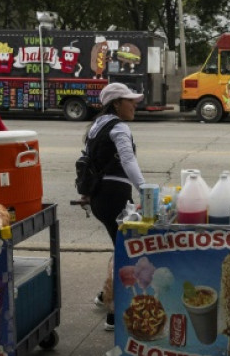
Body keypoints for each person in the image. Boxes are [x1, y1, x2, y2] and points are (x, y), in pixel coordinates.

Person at [83, 82, 146, 331]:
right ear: (117, 104)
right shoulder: (119, 127)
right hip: (115, 196)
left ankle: (103, 296)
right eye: (130, 100)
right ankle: (113, 313)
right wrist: (145, 190)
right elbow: (128, 161)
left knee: (120, 246)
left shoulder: (96, 125)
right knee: (126, 252)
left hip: (99, 196)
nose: (135, 105)